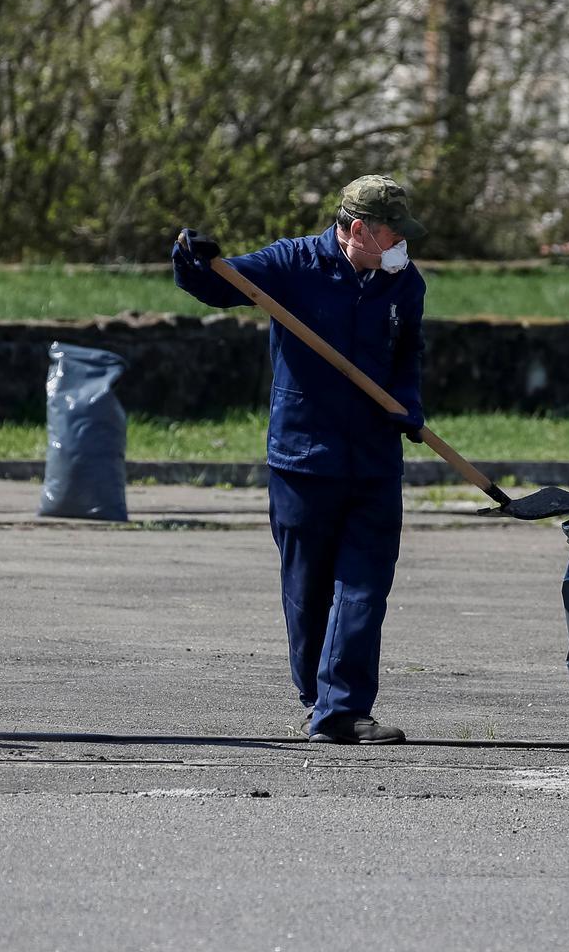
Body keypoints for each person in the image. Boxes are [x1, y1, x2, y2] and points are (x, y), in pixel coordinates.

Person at [172, 175, 428, 745]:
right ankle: (317, 697)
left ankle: (343, 709)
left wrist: (408, 406)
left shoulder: (405, 282)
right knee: (307, 590)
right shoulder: (293, 264)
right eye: (392, 234)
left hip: (373, 459)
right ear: (357, 230)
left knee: (365, 585)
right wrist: (193, 257)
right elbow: (220, 284)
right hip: (304, 458)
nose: (401, 246)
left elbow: (409, 352)